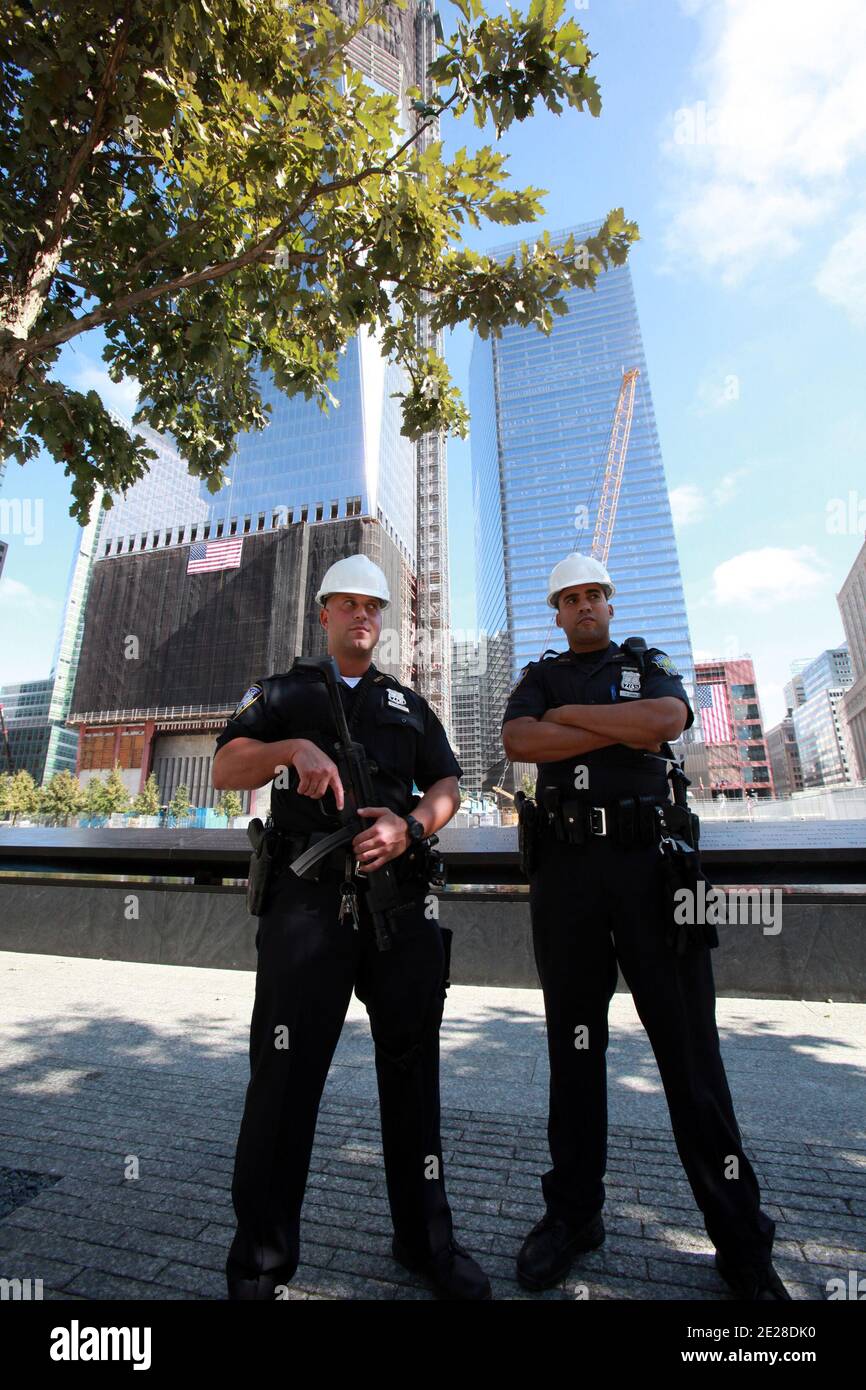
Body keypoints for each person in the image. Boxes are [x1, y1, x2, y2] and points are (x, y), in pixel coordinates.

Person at [501, 552, 790, 1302]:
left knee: (692, 1057)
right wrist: (612, 733)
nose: (585, 605)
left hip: (651, 872)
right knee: (574, 1051)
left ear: (611, 603)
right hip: (566, 878)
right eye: (571, 597)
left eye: (595, 593)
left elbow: (667, 720)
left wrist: (573, 721)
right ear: (557, 612)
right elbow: (519, 743)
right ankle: (573, 1215)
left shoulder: (645, 664)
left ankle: (740, 1242)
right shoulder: (538, 676)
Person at [213, 553, 491, 1301]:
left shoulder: (407, 703)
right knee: (283, 1082)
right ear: (325, 612)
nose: (363, 616)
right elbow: (227, 766)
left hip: (398, 906)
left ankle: (426, 1240)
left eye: (374, 606)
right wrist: (289, 749)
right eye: (348, 604)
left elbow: (448, 783)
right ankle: (260, 1263)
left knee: (414, 1078)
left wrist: (411, 826)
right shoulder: (283, 692)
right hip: (306, 907)